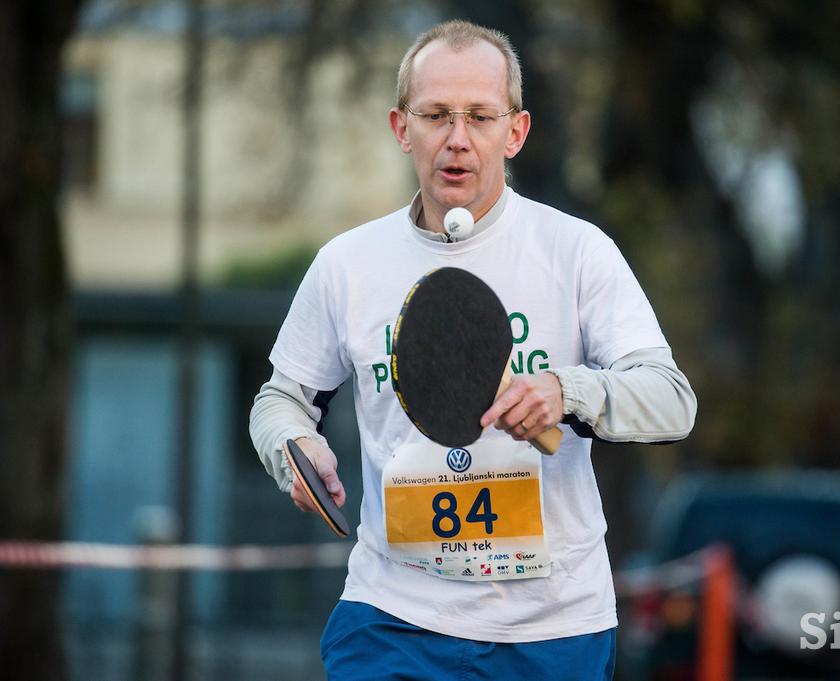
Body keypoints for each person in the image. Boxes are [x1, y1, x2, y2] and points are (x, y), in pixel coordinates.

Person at [249, 19, 697, 681]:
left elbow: (672, 400)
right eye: (435, 115)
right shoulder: (347, 266)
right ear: (402, 128)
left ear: (515, 132)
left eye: (480, 116)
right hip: (391, 619)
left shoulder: (576, 254)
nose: (457, 139)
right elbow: (280, 399)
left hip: (552, 629)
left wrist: (568, 391)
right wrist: (293, 450)